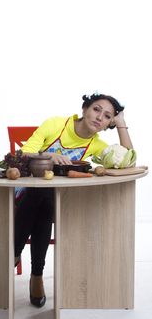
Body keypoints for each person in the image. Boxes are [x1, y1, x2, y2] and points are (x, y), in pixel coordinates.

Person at [14, 92, 133, 308]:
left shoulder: (96, 145)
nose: (99, 117)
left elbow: (127, 160)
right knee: (41, 196)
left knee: (47, 201)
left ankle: (13, 253)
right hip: (26, 190)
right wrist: (48, 156)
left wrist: (122, 123)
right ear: (85, 109)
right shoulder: (55, 124)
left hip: (56, 199)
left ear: (109, 124)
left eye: (107, 116)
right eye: (96, 109)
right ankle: (37, 276)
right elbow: (24, 153)